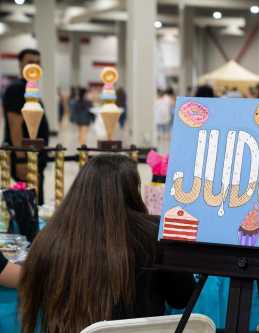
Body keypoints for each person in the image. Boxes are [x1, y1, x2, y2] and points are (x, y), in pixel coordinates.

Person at [19, 155, 195, 333]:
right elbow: (183, 297)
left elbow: (33, 297)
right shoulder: (154, 235)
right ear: (132, 190)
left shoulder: (49, 239)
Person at [2, 48, 49, 204]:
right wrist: (21, 160)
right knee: (29, 207)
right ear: (20, 65)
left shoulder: (30, 89)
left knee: (35, 203)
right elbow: (15, 126)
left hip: (35, 157)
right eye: (30, 62)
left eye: (37, 62)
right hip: (25, 159)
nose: (34, 65)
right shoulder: (16, 89)